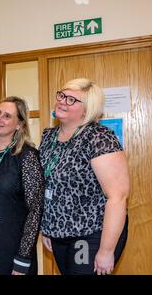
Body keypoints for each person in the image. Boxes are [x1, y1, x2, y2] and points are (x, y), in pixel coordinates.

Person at [39, 78, 130, 275]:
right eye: (62, 95)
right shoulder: (48, 136)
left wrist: (106, 251)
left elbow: (118, 197)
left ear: (87, 109)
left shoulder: (98, 137)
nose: (63, 101)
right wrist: (47, 228)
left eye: (72, 100)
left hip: (91, 234)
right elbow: (49, 183)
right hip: (58, 233)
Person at [0, 97, 45, 275]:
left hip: (12, 249)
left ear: (19, 124)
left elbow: (35, 210)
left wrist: (22, 258)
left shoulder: (27, 156)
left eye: (7, 116)